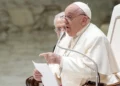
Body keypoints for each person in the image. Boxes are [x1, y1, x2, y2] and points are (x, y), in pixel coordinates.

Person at [33, 1, 119, 86]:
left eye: (69, 17)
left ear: (84, 20)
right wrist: (44, 74)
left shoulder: (97, 38)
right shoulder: (67, 36)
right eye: (65, 17)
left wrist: (60, 60)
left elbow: (93, 71)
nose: (65, 21)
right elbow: (57, 68)